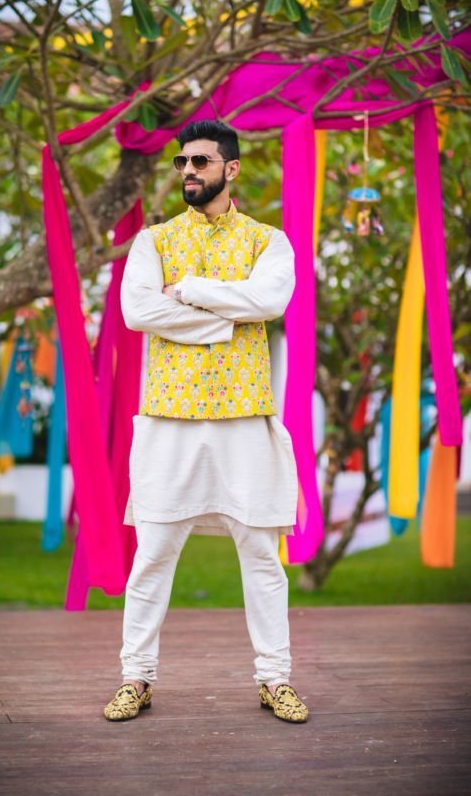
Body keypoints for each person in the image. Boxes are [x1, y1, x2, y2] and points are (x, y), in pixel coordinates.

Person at [103, 120, 309, 724]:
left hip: (246, 418)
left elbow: (269, 302)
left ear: (231, 168)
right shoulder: (153, 241)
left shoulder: (269, 242)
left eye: (200, 161)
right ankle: (135, 679)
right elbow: (138, 309)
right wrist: (225, 319)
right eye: (181, 162)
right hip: (170, 419)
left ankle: (275, 680)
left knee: (262, 557)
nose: (188, 170)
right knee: (153, 555)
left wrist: (189, 290)